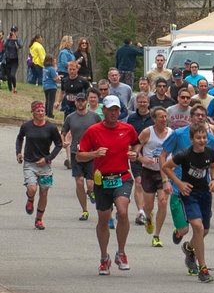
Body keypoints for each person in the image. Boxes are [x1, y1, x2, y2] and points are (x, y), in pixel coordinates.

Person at [77, 95, 140, 275]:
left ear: (120, 112)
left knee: (122, 211)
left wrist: (134, 154)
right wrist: (95, 154)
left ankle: (121, 252)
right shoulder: (93, 130)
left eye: (116, 110)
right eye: (110, 109)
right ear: (103, 110)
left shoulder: (127, 129)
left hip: (123, 177)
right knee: (104, 219)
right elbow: (79, 155)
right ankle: (104, 257)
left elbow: (136, 144)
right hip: (102, 180)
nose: (113, 113)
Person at [162, 123, 214, 283]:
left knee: (204, 231)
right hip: (189, 194)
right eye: (198, 138)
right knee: (198, 227)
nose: (202, 140)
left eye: (204, 137)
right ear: (191, 139)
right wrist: (179, 183)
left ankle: (189, 248)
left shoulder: (211, 152)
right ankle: (203, 268)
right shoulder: (185, 154)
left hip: (205, 194)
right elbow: (166, 167)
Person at [159, 105, 214, 254]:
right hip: (178, 186)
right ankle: (179, 232)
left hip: (200, 188)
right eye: (197, 115)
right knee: (185, 229)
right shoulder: (179, 134)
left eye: (203, 115)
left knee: (202, 230)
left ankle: (189, 248)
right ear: (190, 117)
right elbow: (163, 156)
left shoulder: (211, 139)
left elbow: (213, 163)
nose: (200, 117)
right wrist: (165, 180)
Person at [16, 101, 63, 229]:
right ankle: (30, 198)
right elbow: (20, 138)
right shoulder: (26, 126)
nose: (41, 113)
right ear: (33, 112)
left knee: (43, 192)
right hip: (30, 163)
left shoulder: (51, 127)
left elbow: (59, 144)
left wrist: (48, 158)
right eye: (38, 111)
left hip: (45, 165)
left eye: (42, 110)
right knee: (32, 189)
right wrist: (18, 153)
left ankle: (39, 219)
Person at [135, 106, 173, 246]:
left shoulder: (171, 133)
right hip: (149, 172)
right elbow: (135, 151)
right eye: (161, 117)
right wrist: (144, 160)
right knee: (148, 206)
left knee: (163, 202)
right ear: (154, 119)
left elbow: (175, 151)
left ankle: (157, 235)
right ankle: (148, 218)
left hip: (164, 172)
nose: (164, 119)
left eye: (165, 116)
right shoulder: (147, 132)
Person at [61, 92, 101, 221]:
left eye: (83, 101)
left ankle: (91, 192)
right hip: (76, 153)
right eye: (78, 101)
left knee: (90, 183)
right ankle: (84, 210)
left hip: (91, 153)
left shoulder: (94, 117)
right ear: (75, 102)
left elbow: (103, 130)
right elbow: (63, 132)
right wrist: (63, 141)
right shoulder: (70, 117)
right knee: (79, 181)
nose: (80, 103)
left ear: (86, 102)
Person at [127, 92, 154, 226]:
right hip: (135, 153)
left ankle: (148, 208)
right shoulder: (131, 118)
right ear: (136, 103)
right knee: (138, 181)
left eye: (145, 102)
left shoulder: (153, 117)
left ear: (148, 103)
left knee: (148, 184)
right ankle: (140, 211)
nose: (142, 104)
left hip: (151, 154)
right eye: (140, 102)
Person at [4, 27, 22, 93]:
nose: (13, 33)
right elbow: (4, 45)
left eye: (15, 31)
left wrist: (15, 40)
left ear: (17, 32)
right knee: (8, 76)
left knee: (12, 75)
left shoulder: (18, 40)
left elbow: (21, 45)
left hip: (14, 61)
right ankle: (10, 90)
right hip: (8, 60)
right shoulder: (8, 39)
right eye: (12, 31)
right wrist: (8, 39)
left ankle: (14, 87)